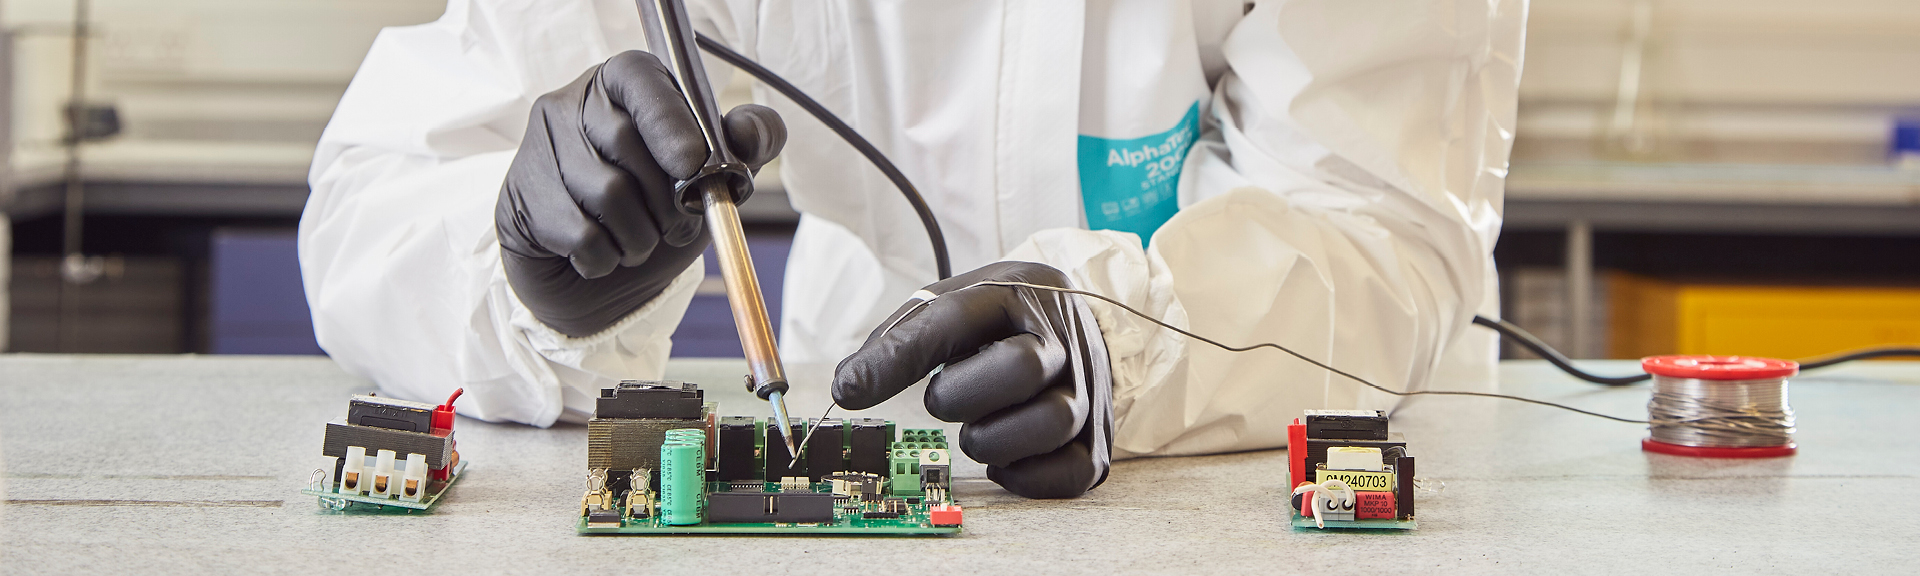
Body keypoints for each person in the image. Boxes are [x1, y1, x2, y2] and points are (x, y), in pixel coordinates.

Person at [301, 0, 1524, 498]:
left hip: (1263, 442)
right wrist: (517, 271)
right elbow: (376, 197)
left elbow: (1378, 224)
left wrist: (1130, 342)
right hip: (871, 390)